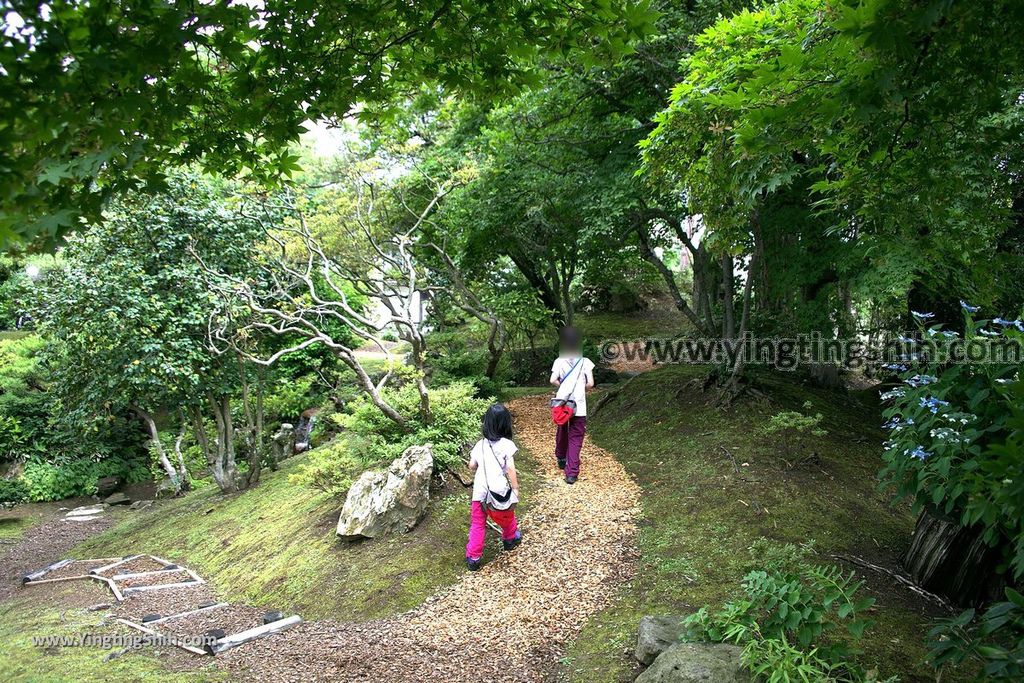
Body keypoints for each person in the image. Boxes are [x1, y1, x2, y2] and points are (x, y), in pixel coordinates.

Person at [465, 403, 522, 571]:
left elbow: (471, 465)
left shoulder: (479, 445)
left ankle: (473, 558)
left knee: (477, 524)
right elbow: (510, 468)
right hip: (498, 491)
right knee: (506, 515)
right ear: (505, 423)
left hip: (480, 493)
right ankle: (510, 539)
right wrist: (516, 488)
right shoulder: (506, 444)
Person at [550, 326, 595, 484]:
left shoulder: (559, 361)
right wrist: (580, 389)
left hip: (562, 403)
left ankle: (561, 458)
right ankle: (572, 473)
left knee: (562, 429)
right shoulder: (585, 362)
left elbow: (552, 380)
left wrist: (563, 386)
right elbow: (590, 384)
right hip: (579, 405)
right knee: (576, 437)